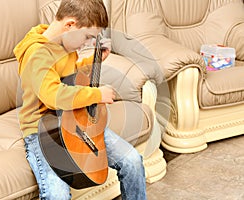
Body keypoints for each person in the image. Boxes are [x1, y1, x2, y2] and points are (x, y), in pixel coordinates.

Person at [13, 0, 147, 199]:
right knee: (56, 193)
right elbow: (54, 95)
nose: (86, 43)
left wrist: (93, 61)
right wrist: (97, 94)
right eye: (86, 37)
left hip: (74, 119)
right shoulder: (37, 53)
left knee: (132, 160)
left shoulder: (64, 44)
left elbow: (71, 78)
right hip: (43, 131)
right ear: (69, 25)